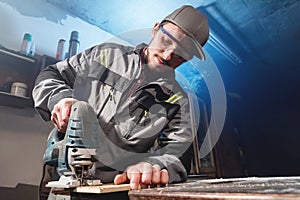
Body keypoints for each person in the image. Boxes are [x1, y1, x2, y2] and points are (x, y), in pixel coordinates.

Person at [33, 4, 209, 196]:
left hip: (115, 189)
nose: (168, 55)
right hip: (61, 180)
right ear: (155, 29)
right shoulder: (105, 55)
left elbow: (178, 155)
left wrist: (153, 167)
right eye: (166, 41)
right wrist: (60, 99)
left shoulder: (178, 102)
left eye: (181, 53)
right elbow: (51, 74)